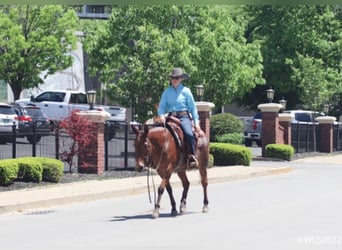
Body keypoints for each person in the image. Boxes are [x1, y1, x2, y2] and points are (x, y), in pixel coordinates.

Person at [157, 67, 200, 167]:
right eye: (173, 78)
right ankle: (155, 157)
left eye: (176, 78)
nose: (174, 80)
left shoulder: (186, 91)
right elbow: (161, 107)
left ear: (181, 79)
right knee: (157, 133)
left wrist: (196, 123)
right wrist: (161, 115)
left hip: (183, 117)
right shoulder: (166, 92)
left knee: (189, 134)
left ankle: (192, 156)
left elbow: (193, 108)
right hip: (170, 117)